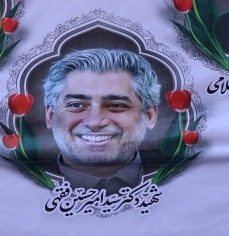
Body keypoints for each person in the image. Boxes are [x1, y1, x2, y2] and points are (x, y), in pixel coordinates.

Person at [40, 48, 161, 192]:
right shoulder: (22, 178)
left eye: (117, 105)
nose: (94, 122)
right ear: (51, 116)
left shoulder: (180, 172)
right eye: (76, 105)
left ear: (149, 116)